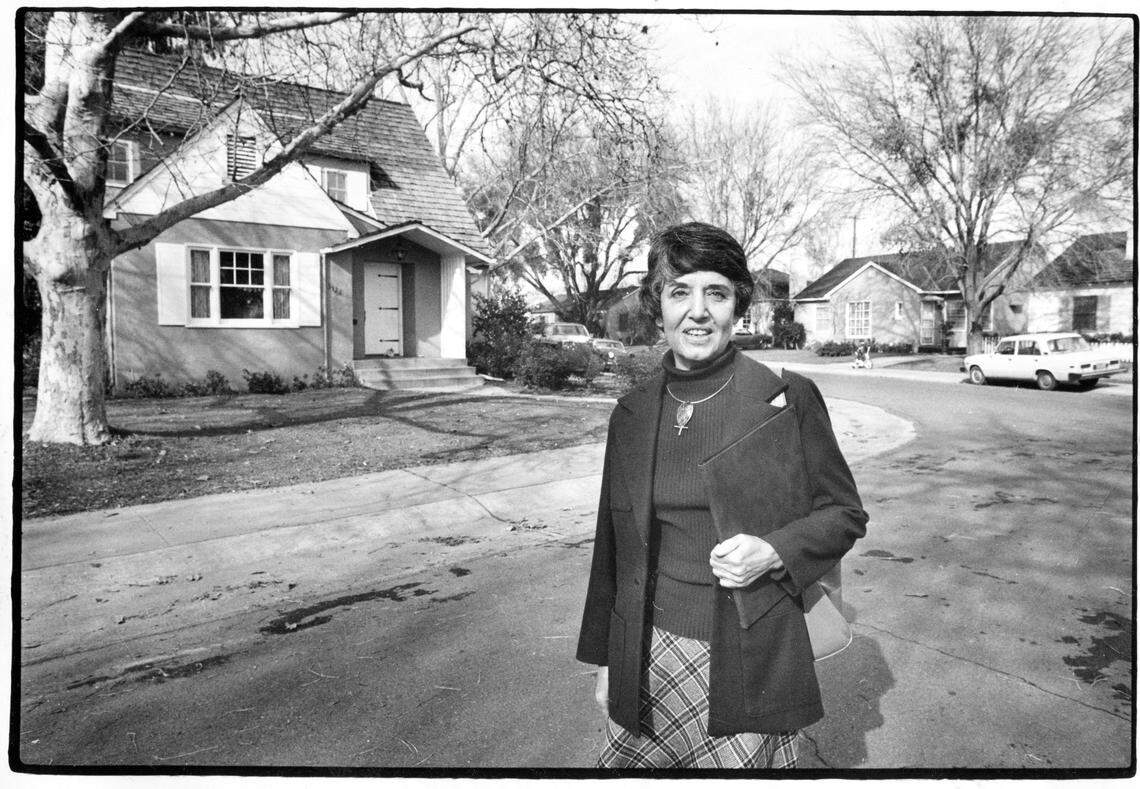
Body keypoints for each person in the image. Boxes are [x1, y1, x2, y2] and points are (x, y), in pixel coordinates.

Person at [576, 222, 868, 769]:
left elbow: (845, 514)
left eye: (716, 293)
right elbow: (611, 552)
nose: (698, 312)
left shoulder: (786, 398)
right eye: (679, 292)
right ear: (656, 305)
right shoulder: (631, 414)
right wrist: (607, 662)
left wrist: (775, 551)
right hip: (646, 651)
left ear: (738, 305)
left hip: (748, 654)